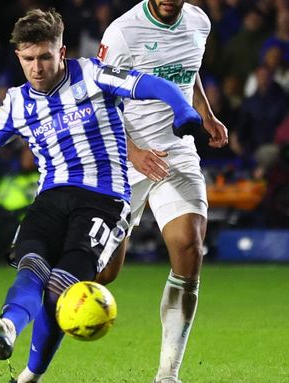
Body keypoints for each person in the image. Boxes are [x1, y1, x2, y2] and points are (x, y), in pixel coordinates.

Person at [0, 8, 202, 383]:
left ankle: (29, 376)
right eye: (28, 59)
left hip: (102, 201)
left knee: (61, 286)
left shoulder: (92, 74)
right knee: (32, 267)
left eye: (44, 56)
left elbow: (152, 84)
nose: (37, 67)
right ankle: (7, 328)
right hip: (51, 197)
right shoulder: (16, 103)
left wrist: (183, 109)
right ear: (18, 58)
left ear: (61, 51)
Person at [96, 1, 228, 382]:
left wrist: (205, 113)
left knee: (189, 245)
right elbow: (101, 100)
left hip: (176, 150)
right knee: (104, 273)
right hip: (125, 154)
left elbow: (190, 70)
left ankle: (168, 375)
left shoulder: (199, 22)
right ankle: (27, 302)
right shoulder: (122, 32)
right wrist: (133, 152)